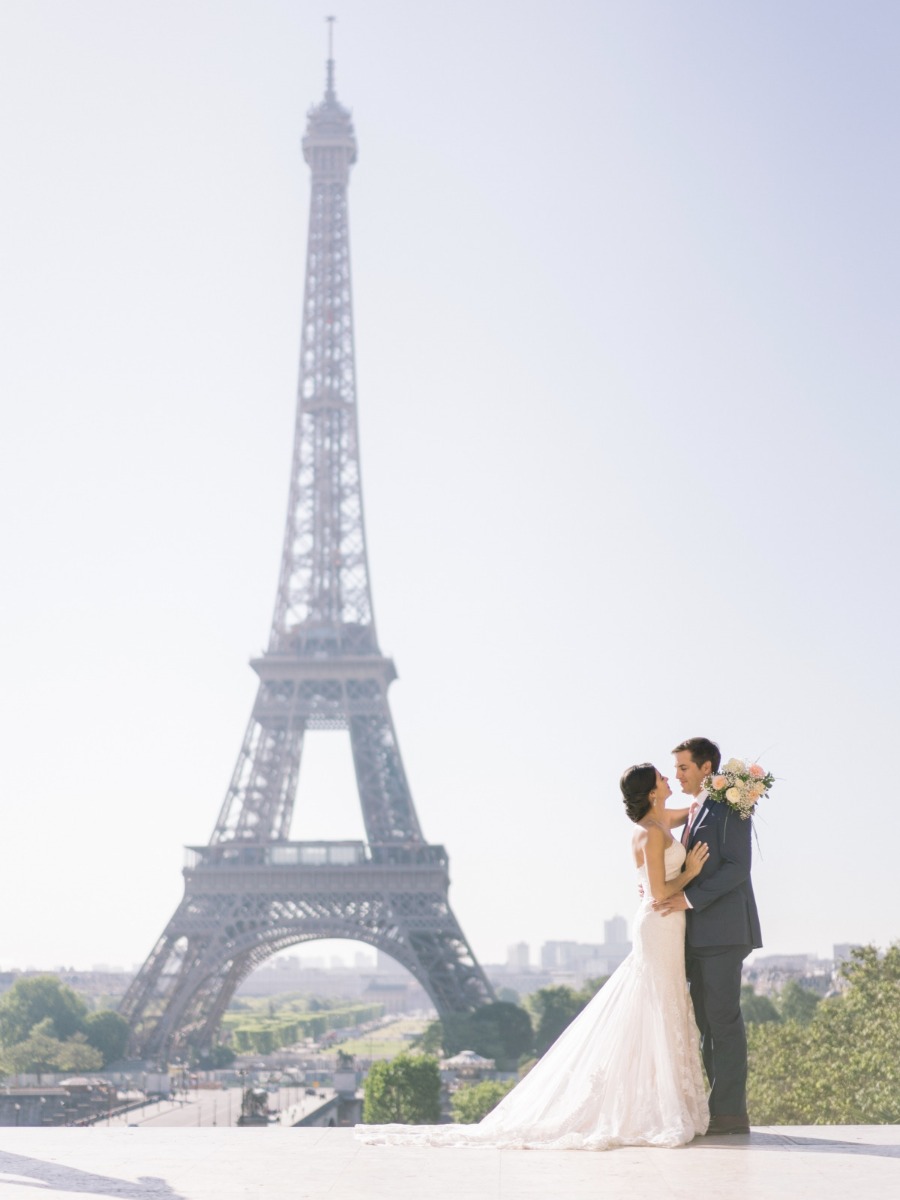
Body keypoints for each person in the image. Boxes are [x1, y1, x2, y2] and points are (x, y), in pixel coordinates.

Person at [356, 763, 710, 1150]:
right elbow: (660, 893)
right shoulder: (650, 834)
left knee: (658, 1008)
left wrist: (719, 789)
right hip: (660, 922)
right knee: (656, 1008)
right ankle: (657, 1107)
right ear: (653, 791)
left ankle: (657, 1104)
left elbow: (691, 812)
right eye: (662, 775)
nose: (668, 778)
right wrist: (691, 871)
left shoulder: (658, 824)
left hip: (665, 926)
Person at [652, 736, 762, 1136]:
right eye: (676, 769)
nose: (678, 775)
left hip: (722, 932)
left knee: (723, 1021)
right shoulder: (698, 809)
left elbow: (737, 868)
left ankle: (731, 1113)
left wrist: (688, 899)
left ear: (706, 768)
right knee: (707, 1024)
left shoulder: (731, 805)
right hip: (698, 935)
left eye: (683, 768)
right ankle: (717, 1110)